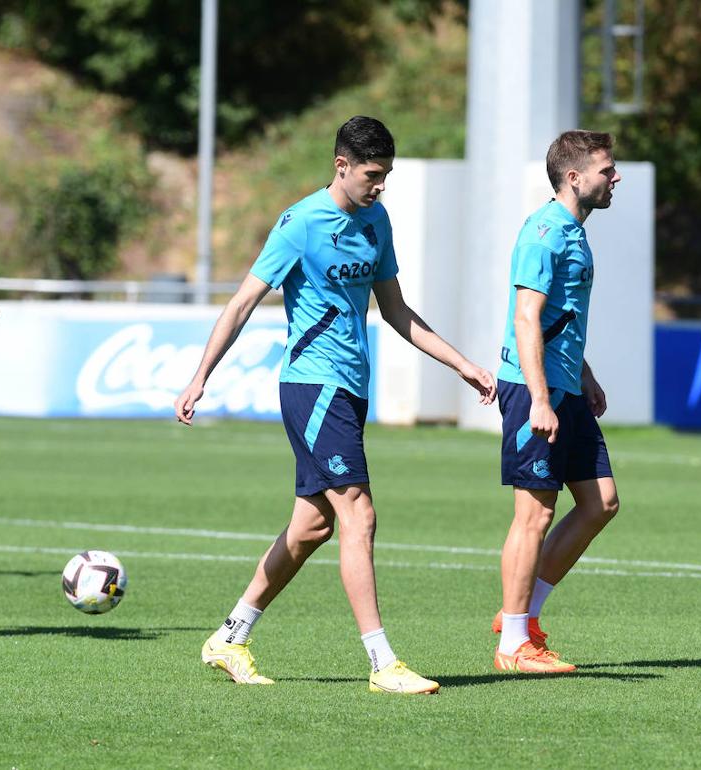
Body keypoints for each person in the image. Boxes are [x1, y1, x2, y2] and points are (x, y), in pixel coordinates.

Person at [174, 116, 497, 695]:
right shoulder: (300, 223)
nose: (380, 185)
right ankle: (383, 662)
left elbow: (395, 310)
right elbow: (243, 303)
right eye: (373, 174)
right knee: (358, 514)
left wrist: (461, 364)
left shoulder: (377, 220)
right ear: (341, 165)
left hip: (350, 389)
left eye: (387, 175)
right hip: (312, 386)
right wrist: (200, 376)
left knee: (312, 526)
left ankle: (229, 636)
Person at [491, 130, 622, 674]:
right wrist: (540, 400)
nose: (615, 177)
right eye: (606, 170)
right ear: (574, 177)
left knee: (601, 502)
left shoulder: (575, 232)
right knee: (535, 513)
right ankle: (513, 645)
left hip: (565, 386)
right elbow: (526, 318)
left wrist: (584, 374)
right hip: (534, 390)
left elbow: (558, 318)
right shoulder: (544, 234)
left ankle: (521, 618)